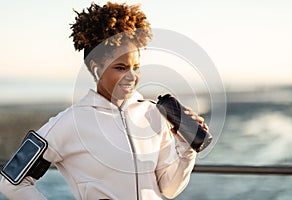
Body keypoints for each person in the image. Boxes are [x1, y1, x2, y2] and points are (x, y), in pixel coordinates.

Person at [0, 2, 209, 200]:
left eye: (136, 67)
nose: (132, 76)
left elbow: (169, 189)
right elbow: (11, 183)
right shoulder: (69, 122)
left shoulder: (153, 114)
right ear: (95, 67)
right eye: (120, 68)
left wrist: (186, 147)